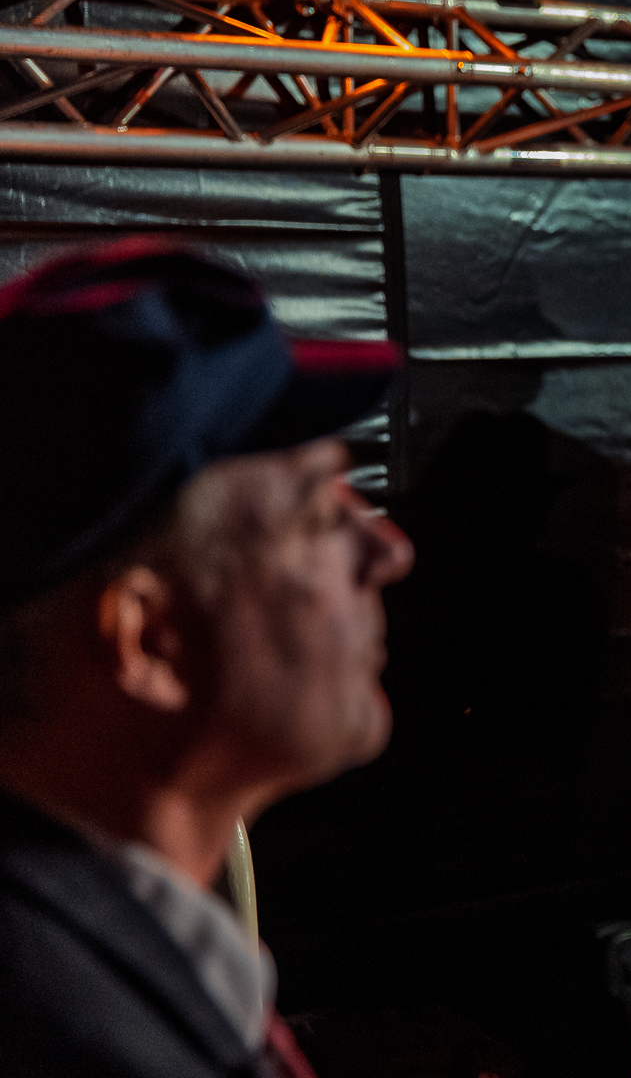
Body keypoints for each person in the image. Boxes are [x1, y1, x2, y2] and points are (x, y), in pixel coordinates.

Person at [0, 241, 414, 1078]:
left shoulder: (109, 946)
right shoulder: (70, 1039)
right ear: (148, 639)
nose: (389, 552)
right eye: (317, 517)